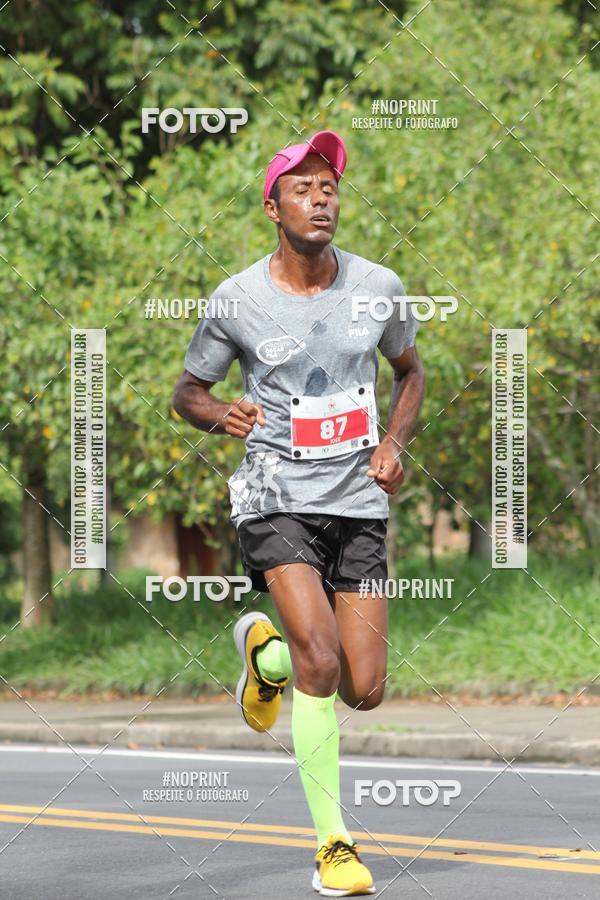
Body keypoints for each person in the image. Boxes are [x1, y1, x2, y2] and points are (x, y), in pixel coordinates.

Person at [173, 130, 425, 897]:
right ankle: (334, 847)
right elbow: (186, 393)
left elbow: (411, 373)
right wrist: (222, 415)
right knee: (321, 658)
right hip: (274, 495)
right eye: (305, 187)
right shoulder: (237, 298)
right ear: (272, 206)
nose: (322, 198)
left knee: (364, 686)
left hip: (356, 502)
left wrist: (393, 441)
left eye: (331, 187)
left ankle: (264, 657)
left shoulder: (379, 285)